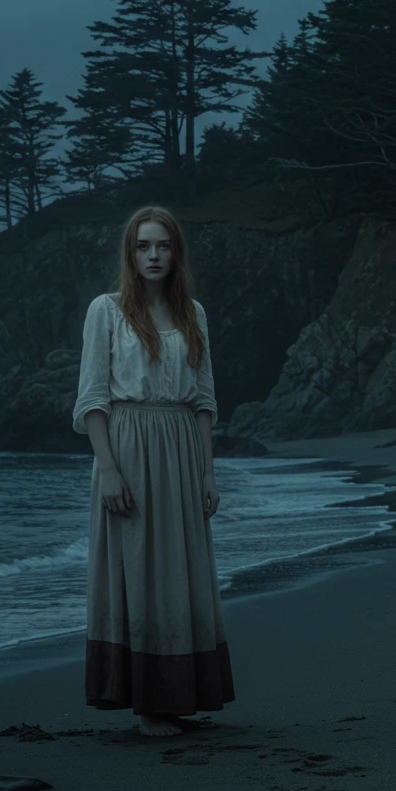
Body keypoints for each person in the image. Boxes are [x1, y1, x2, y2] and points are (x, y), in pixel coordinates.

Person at [72, 205, 235, 738]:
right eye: (143, 246)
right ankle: (147, 705)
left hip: (182, 451)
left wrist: (208, 475)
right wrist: (109, 469)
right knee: (139, 570)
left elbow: (205, 400)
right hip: (128, 447)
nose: (153, 256)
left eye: (162, 246)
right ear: (130, 252)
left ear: (176, 251)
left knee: (181, 572)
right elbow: (93, 398)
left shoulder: (193, 313)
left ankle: (178, 696)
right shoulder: (108, 310)